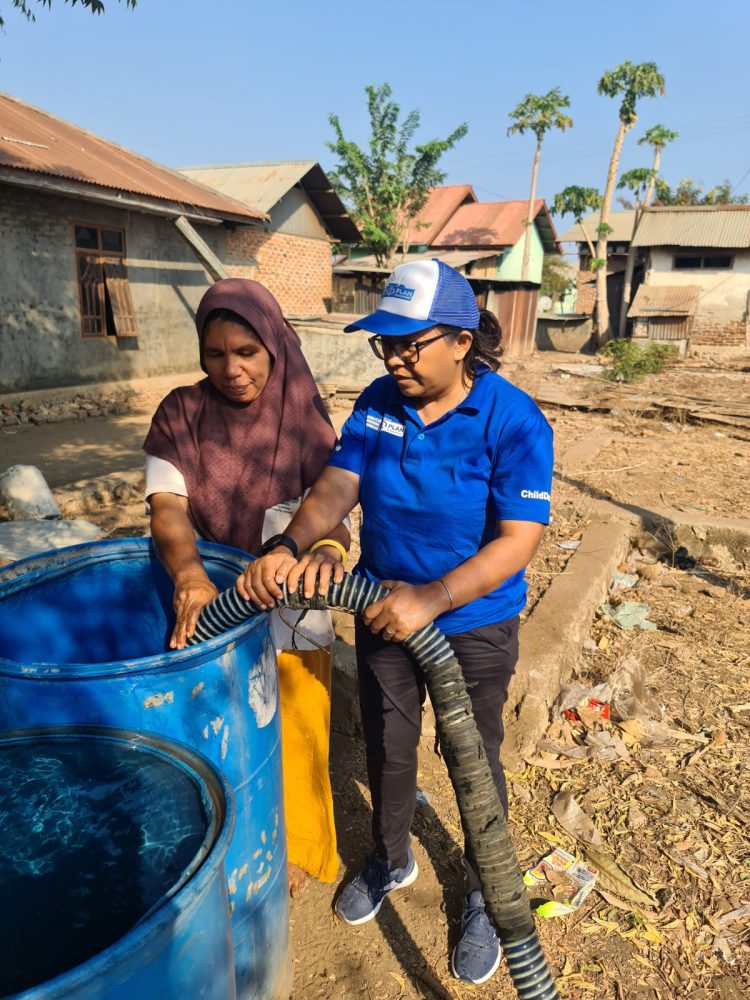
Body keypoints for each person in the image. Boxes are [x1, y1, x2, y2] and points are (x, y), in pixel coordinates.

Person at [238, 259, 553, 986]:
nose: (396, 357)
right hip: (381, 609)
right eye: (387, 343)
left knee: (473, 759)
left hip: (471, 623)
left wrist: (435, 597)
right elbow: (336, 486)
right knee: (386, 744)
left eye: (412, 343)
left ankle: (482, 893)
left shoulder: (513, 420)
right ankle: (390, 855)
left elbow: (518, 538)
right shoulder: (378, 403)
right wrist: (294, 543)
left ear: (462, 341)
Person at [143, 278, 350, 894]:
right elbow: (167, 507)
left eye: (246, 352)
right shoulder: (180, 412)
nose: (230, 370)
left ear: (276, 347)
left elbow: (332, 502)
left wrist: (329, 552)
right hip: (206, 596)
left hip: (291, 596)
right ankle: (224, 844)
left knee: (297, 723)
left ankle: (299, 848)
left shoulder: (306, 418)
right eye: (215, 354)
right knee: (215, 724)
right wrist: (189, 577)